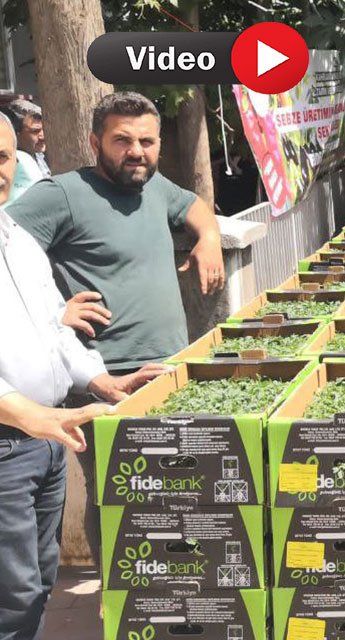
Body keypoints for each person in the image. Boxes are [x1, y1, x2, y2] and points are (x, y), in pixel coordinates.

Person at [7, 91, 225, 571]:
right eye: (122, 140)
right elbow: (8, 247)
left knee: (174, 499)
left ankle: (167, 595)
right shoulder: (63, 193)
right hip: (103, 379)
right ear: (94, 141)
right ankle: (117, 601)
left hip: (170, 373)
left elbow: (195, 207)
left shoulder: (154, 188)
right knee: (119, 501)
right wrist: (52, 312)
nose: (136, 151)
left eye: (147, 141)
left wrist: (208, 237)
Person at [0, 111, 165, 640]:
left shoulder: (16, 238)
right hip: (10, 442)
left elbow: (55, 329)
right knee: (12, 593)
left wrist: (101, 381)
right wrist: (33, 415)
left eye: (3, 157)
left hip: (43, 446)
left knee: (38, 581)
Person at [2, 99, 49, 202]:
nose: (43, 136)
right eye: (35, 131)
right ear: (14, 132)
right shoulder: (17, 161)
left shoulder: (40, 157)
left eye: (44, 129)